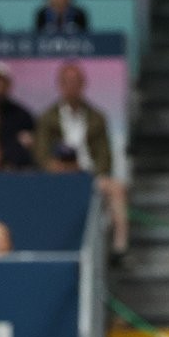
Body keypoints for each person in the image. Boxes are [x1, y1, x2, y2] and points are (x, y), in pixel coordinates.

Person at [34, 62, 129, 260]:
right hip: (57, 175)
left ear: (83, 84)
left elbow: (105, 157)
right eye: (67, 82)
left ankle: (119, 247)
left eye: (76, 82)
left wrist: (90, 172)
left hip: (88, 174)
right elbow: (41, 155)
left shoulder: (97, 117)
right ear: (60, 85)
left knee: (117, 188)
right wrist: (56, 167)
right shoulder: (47, 118)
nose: (71, 86)